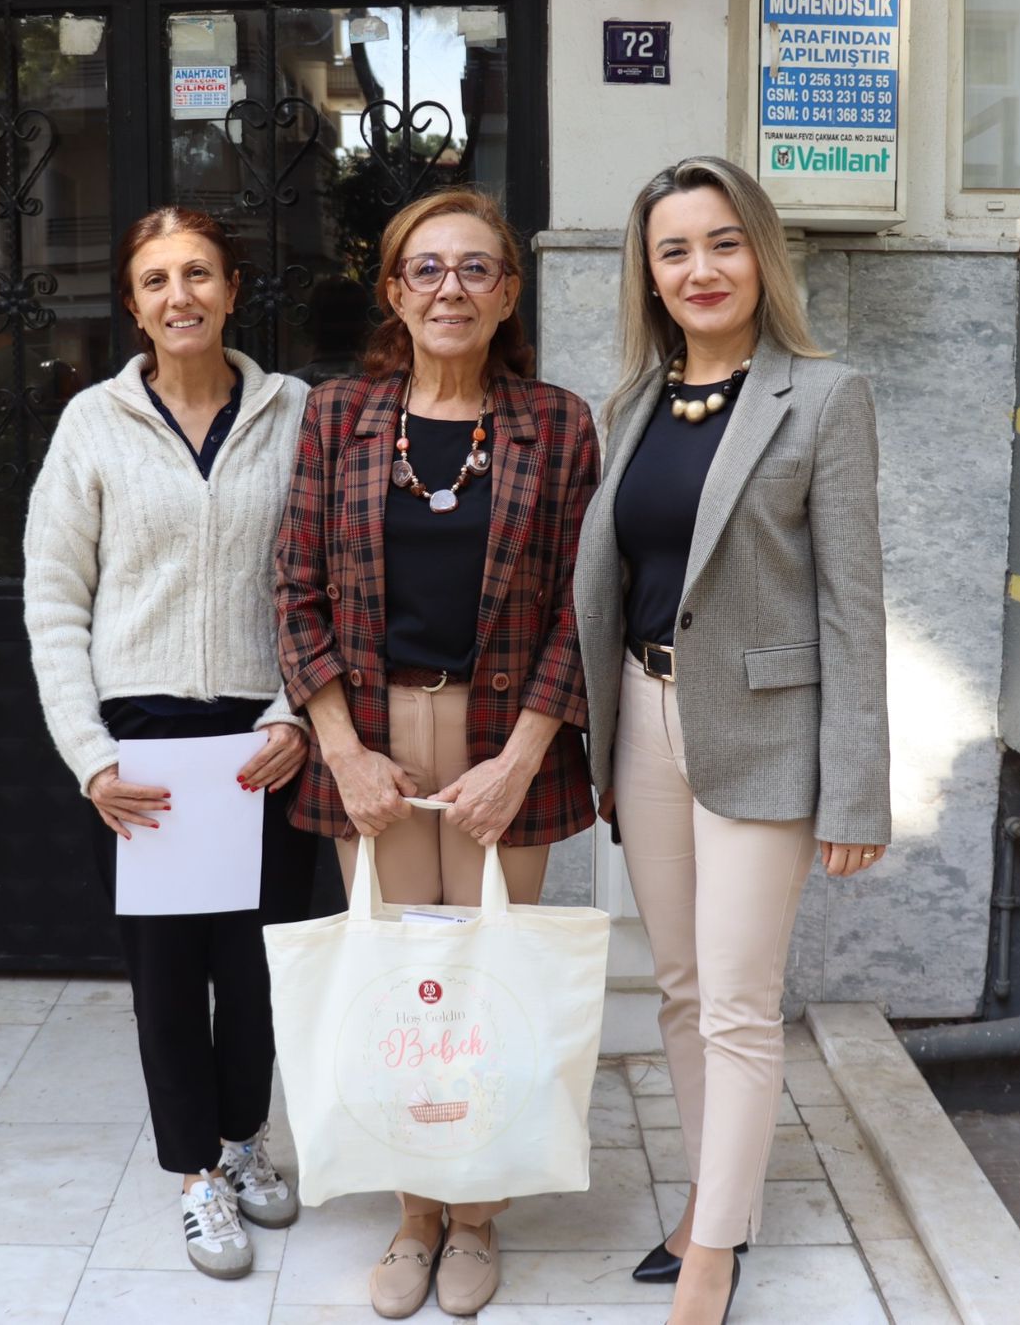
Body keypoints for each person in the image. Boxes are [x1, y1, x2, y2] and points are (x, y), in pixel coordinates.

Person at [573, 156, 892, 1325]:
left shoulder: (824, 397)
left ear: (758, 252)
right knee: (678, 987)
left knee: (737, 1004)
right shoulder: (630, 405)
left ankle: (709, 1255)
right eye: (673, 250)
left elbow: (852, 607)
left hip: (763, 732)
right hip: (644, 716)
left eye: (720, 242)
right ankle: (719, 1202)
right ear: (648, 275)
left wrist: (854, 789)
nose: (698, 268)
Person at [273, 187, 599, 1319]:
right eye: (426, 268)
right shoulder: (339, 416)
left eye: (474, 268)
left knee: (487, 983)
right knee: (399, 988)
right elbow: (295, 591)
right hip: (374, 743)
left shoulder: (557, 423)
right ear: (394, 292)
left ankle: (478, 1212)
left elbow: (583, 605)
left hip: (507, 739)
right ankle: (416, 1212)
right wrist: (343, 754)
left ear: (507, 293)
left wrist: (522, 758)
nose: (449, 288)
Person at [23, 206, 316, 1282]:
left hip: (261, 738)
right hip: (141, 746)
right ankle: (194, 1174)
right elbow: (54, 599)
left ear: (232, 290)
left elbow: (329, 576)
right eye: (155, 280)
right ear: (133, 305)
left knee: (256, 966)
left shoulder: (296, 414)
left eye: (198, 273)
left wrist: (295, 712)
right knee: (166, 977)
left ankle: (244, 1139)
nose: (178, 295)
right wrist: (90, 755)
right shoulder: (91, 425)